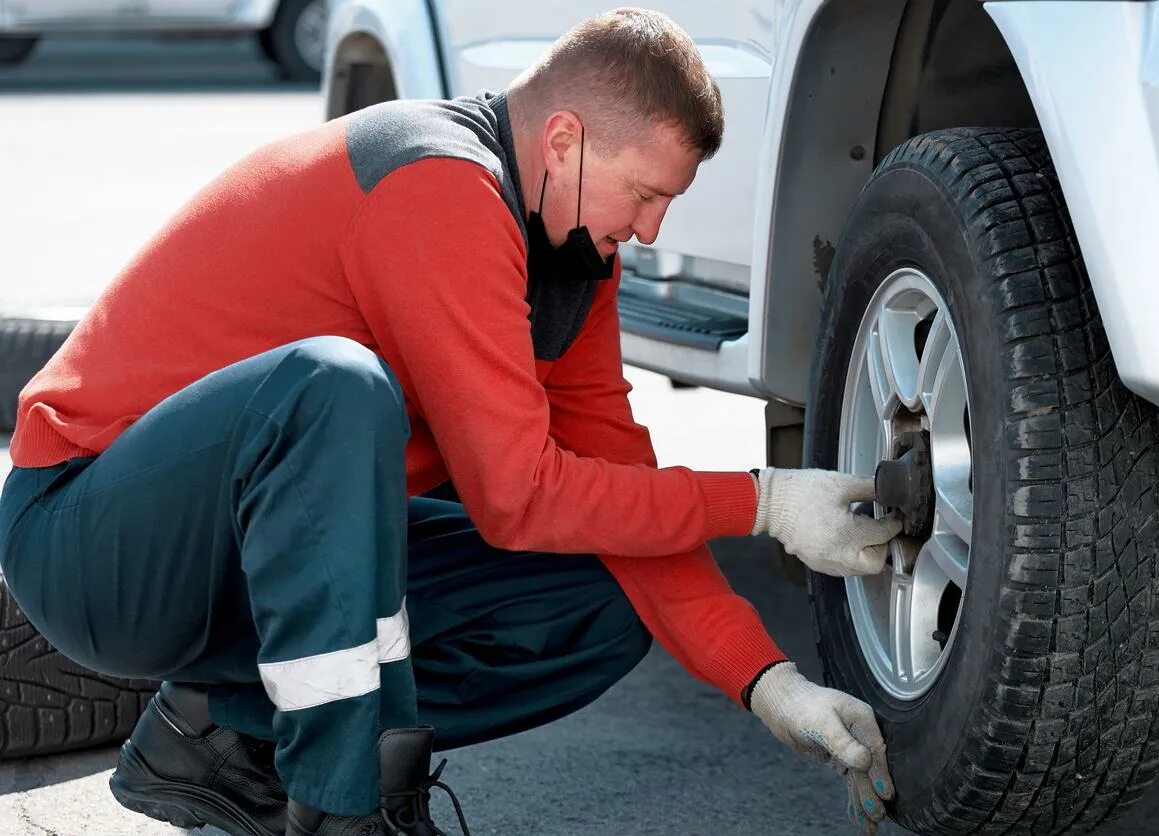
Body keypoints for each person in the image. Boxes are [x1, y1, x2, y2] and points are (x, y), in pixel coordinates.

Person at [0, 8, 902, 836]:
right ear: (563, 140)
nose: (653, 229)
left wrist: (766, 680)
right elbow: (518, 499)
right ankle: (337, 812)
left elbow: (618, 485)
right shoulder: (436, 187)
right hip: (92, 535)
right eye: (643, 193)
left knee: (601, 597)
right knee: (336, 385)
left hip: (246, 554)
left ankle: (220, 737)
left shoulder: (574, 261)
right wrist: (764, 503)